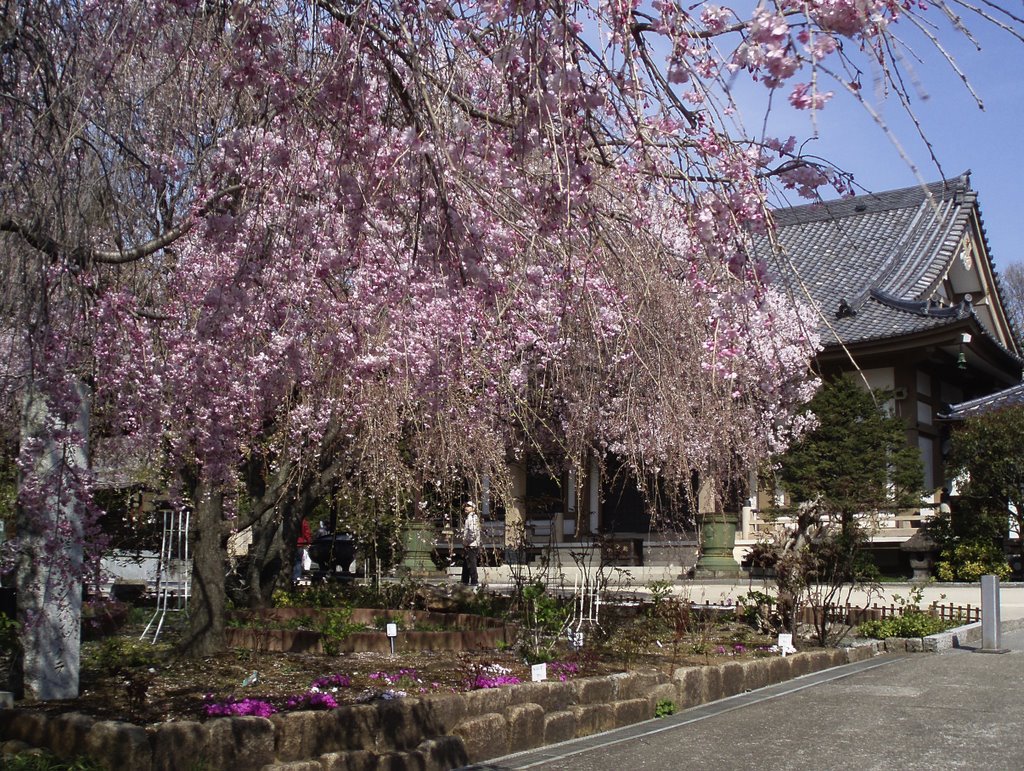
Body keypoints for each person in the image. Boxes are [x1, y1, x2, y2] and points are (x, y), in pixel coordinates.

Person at [460, 502, 481, 586]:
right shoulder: (469, 517)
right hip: (470, 544)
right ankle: (464, 580)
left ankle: (474, 580)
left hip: (471, 544)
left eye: (469, 506)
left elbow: (472, 532)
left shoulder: (472, 518)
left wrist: (466, 541)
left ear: (473, 508)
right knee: (466, 562)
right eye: (466, 506)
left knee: (471, 563)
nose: (466, 507)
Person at [293, 517, 313, 583]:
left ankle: (292, 576)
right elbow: (307, 532)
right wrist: (308, 541)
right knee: (298, 561)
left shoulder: (290, 519)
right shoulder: (303, 521)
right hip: (300, 543)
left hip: (291, 543)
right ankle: (297, 577)